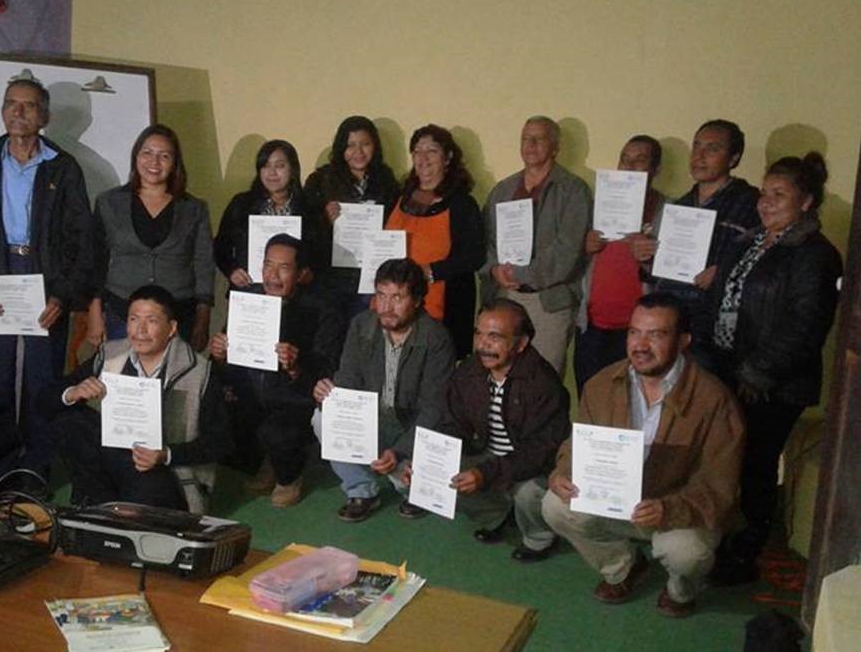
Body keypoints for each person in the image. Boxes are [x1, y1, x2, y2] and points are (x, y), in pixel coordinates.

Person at [542, 293, 744, 617]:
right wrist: (562, 472)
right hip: (618, 503)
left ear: (683, 341)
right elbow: (577, 444)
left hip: (676, 512)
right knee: (554, 505)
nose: (640, 344)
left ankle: (680, 590)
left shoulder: (714, 399)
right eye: (634, 332)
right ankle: (623, 567)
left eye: (656, 334)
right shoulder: (601, 385)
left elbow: (720, 485)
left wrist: (668, 508)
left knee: (687, 554)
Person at [0, 76, 93, 491]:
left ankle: (34, 473)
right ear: (3, 109)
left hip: (46, 285)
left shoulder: (62, 168)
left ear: (43, 116)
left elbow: (80, 238)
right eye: (11, 103)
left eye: (28, 106)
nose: (18, 112)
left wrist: (63, 294)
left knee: (43, 383)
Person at [702, 153, 842, 585]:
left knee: (756, 465)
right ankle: (720, 541)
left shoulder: (815, 255)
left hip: (771, 386)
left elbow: (806, 328)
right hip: (726, 372)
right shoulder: (749, 242)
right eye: (764, 193)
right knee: (723, 462)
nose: (766, 203)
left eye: (779, 195)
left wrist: (755, 375)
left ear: (806, 202)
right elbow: (719, 302)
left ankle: (746, 552)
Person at [46, 285, 232, 513]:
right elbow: (44, 399)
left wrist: (166, 454)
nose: (140, 330)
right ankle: (99, 502)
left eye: (151, 321)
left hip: (165, 471)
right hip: (114, 458)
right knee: (69, 421)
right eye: (134, 319)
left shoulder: (199, 372)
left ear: (171, 328)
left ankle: (121, 509)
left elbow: (220, 443)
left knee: (138, 512)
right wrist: (73, 392)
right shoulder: (110, 354)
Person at [313, 258, 455, 522]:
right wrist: (330, 397)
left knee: (425, 482)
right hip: (374, 420)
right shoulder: (361, 325)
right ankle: (362, 489)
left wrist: (399, 450)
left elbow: (434, 409)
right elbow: (348, 380)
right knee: (322, 418)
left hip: (412, 426)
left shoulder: (436, 338)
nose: (386, 307)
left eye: (397, 298)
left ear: (416, 300)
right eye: (381, 295)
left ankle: (410, 486)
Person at [209, 234, 345, 507]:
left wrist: (296, 365)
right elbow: (224, 366)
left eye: (283, 267)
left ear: (302, 273)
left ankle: (289, 475)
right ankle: (268, 461)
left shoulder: (322, 310)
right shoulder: (247, 300)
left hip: (295, 400)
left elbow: (327, 372)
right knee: (215, 418)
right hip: (250, 395)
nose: (273, 275)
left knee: (277, 431)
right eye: (268, 265)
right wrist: (220, 354)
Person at [437, 299, 570, 561]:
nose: (483, 344)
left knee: (529, 492)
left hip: (534, 467)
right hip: (489, 457)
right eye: (479, 334)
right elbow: (453, 423)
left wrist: (485, 474)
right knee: (424, 474)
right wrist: (434, 458)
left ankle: (539, 538)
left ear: (521, 344)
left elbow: (538, 452)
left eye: (495, 337)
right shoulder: (469, 371)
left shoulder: (543, 384)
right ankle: (500, 515)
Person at [481, 116, 592, 377]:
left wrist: (521, 274)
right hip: (505, 296)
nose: (530, 145)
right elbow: (485, 239)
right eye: (525, 138)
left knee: (544, 379)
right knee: (500, 375)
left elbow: (568, 250)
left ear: (555, 147)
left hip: (550, 303)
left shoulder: (573, 190)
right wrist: (494, 269)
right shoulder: (503, 189)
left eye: (538, 139)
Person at [87, 124, 214, 352]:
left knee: (173, 384)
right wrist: (95, 311)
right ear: (136, 156)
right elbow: (96, 259)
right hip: (121, 312)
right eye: (147, 153)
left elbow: (204, 264)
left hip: (179, 314)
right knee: (123, 380)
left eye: (164, 156)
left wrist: (203, 318)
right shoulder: (109, 203)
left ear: (175, 163)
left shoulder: (194, 209)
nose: (154, 162)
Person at [574, 135, 667, 395]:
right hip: (592, 326)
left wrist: (650, 258)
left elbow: (677, 272)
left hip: (639, 331)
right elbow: (573, 261)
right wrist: (585, 247)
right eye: (625, 159)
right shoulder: (598, 205)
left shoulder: (667, 209)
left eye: (639, 161)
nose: (629, 166)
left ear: (655, 169)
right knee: (592, 399)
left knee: (635, 404)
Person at [656, 120, 760, 347]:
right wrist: (647, 259)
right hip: (674, 319)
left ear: (734, 158)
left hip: (717, 322)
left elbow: (763, 261)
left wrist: (723, 271)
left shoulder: (752, 202)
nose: (699, 156)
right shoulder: (680, 205)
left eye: (712, 149)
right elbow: (660, 274)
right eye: (696, 146)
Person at [384, 124, 484, 358]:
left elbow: (474, 256)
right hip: (393, 307)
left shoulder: (462, 204)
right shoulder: (398, 199)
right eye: (417, 151)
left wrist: (431, 271)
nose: (423, 158)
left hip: (441, 309)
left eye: (432, 151)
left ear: (448, 157)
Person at [304, 115, 401, 321]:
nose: (358, 152)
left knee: (366, 334)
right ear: (341, 148)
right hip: (330, 278)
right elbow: (305, 230)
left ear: (375, 146)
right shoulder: (321, 180)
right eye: (350, 145)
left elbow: (396, 225)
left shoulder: (387, 180)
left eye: (365, 144)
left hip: (371, 276)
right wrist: (324, 219)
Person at [214, 140, 310, 292]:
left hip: (295, 297)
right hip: (249, 290)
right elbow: (220, 247)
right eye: (265, 166)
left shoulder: (309, 207)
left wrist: (308, 273)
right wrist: (231, 270)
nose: (272, 173)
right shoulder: (241, 204)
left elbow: (320, 253)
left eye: (279, 166)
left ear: (293, 169)